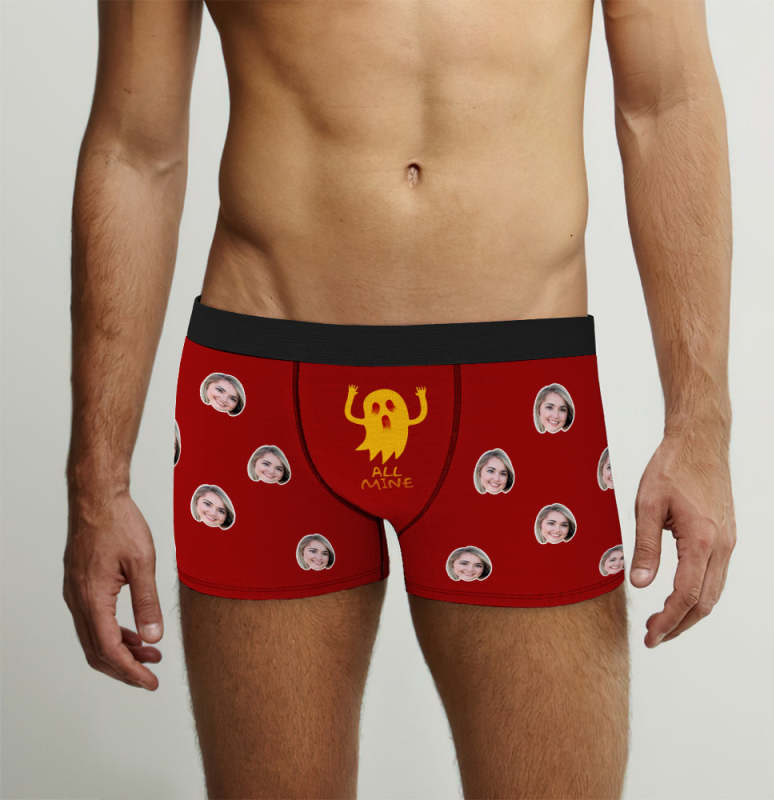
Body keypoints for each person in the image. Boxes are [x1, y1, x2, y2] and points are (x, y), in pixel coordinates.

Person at [62, 1, 737, 797]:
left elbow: (666, 104)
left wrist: (701, 428)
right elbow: (134, 149)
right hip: (264, 387)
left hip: (520, 396)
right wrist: (97, 485)